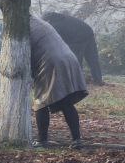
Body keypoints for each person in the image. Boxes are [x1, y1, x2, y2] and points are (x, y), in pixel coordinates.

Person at [29, 14, 88, 148]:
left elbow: (25, 53)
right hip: (67, 58)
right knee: (65, 101)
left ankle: (42, 141)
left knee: (41, 101)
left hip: (50, 62)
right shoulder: (40, 22)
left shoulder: (22, 25)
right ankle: (77, 140)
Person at [43, 11, 104, 85]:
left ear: (48, 20)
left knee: (75, 60)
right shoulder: (64, 17)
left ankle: (78, 82)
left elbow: (57, 42)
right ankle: (98, 80)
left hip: (78, 38)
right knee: (92, 59)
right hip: (88, 32)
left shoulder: (55, 25)